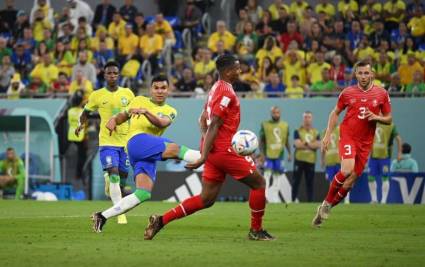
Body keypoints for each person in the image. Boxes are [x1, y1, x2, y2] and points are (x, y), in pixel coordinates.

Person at [144, 55, 275, 241]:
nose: (240, 71)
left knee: (206, 199)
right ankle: (256, 230)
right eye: (237, 68)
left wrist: (206, 145)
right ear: (228, 71)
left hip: (214, 149)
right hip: (224, 149)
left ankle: (160, 220)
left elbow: (202, 120)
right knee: (259, 183)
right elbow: (214, 123)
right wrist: (204, 155)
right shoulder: (226, 93)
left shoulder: (215, 88)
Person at [91, 75, 201, 232]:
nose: (159, 91)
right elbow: (124, 115)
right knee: (175, 148)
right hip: (136, 142)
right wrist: (114, 120)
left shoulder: (170, 110)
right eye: (156, 88)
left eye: (163, 88)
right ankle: (209, 157)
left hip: (146, 151)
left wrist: (146, 112)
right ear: (151, 89)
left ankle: (101, 216)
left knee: (143, 193)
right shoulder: (139, 100)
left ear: (168, 90)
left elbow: (161, 122)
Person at [312, 60, 392, 227]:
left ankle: (324, 210)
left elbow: (388, 118)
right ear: (355, 74)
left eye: (366, 73)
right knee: (346, 169)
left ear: (372, 74)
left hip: (366, 142)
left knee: (349, 183)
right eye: (360, 73)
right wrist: (327, 135)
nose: (363, 76)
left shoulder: (381, 94)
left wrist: (377, 117)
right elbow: (335, 113)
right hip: (348, 136)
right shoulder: (347, 93)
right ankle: (327, 203)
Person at [75, 61, 135, 225]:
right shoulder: (97, 95)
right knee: (114, 174)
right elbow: (86, 113)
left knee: (122, 179)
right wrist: (81, 124)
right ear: (104, 75)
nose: (112, 76)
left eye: (115, 73)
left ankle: (112, 186)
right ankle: (119, 212)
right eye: (109, 73)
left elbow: (134, 113)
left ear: (119, 75)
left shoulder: (128, 94)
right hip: (107, 142)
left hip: (125, 143)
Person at [259, 106, 291, 203]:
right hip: (268, 155)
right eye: (274, 112)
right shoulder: (265, 124)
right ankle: (264, 196)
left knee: (277, 177)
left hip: (279, 156)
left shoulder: (285, 125)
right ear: (271, 113)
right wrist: (262, 154)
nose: (276, 114)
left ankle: (274, 196)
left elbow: (286, 141)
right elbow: (261, 141)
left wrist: (289, 153)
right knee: (267, 176)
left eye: (277, 112)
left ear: (280, 113)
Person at [368, 122, 402, 204]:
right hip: (373, 157)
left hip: (385, 157)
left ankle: (383, 201)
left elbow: (398, 138)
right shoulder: (372, 124)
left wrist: (399, 152)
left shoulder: (391, 125)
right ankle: (374, 200)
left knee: (385, 177)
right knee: (370, 178)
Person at [292, 111, 320, 202]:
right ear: (303, 118)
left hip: (311, 160)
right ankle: (293, 199)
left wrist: (305, 143)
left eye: (309, 117)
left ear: (311, 119)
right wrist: (311, 144)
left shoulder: (316, 132)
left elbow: (318, 145)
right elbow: (297, 144)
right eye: (305, 117)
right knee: (296, 181)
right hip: (299, 159)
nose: (307, 119)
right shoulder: (297, 130)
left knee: (310, 183)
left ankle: (310, 201)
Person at [320, 126, 349, 204]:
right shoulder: (325, 131)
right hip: (329, 161)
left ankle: (346, 199)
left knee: (344, 180)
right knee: (332, 182)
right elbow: (323, 145)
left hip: (340, 160)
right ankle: (331, 200)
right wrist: (322, 160)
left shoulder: (341, 129)